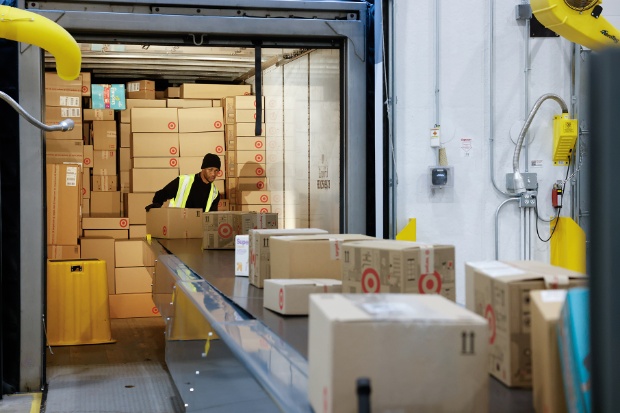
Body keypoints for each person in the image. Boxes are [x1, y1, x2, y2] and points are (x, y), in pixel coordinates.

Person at [145, 153, 221, 212]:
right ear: (203, 168)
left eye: (216, 170)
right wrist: (156, 204)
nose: (213, 174)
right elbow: (163, 193)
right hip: (178, 225)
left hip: (197, 229)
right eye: (210, 169)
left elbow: (211, 216)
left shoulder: (215, 193)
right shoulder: (184, 181)